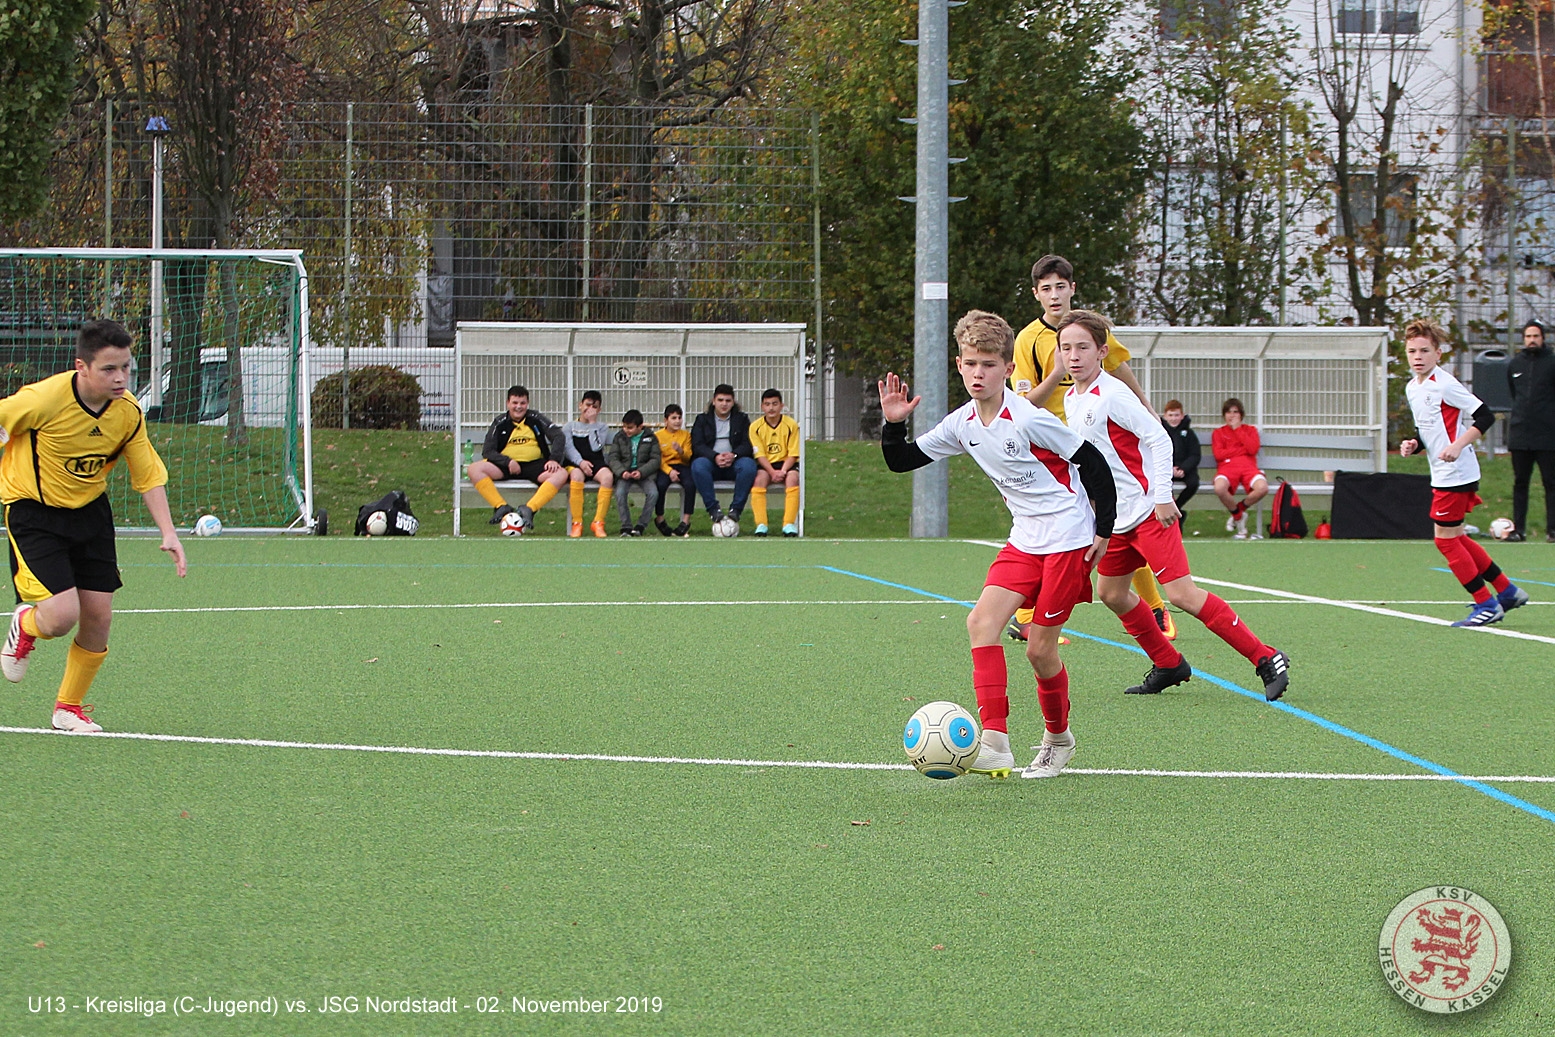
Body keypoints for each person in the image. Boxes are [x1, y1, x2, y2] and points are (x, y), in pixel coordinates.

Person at [879, 310, 1118, 780]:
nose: (978, 373)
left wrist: (1103, 530)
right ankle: (995, 744)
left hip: (1068, 538)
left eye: (988, 365)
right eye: (970, 363)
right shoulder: (962, 422)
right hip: (1025, 538)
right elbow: (902, 461)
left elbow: (1092, 463)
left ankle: (1058, 740)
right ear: (958, 364)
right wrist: (893, 423)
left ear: (1007, 369)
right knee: (981, 622)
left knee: (1039, 651)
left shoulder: (1028, 418)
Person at [1057, 311, 1291, 700]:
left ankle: (1266, 657)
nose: (1074, 355)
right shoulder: (1071, 397)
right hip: (1117, 519)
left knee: (1182, 595)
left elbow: (1158, 438)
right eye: (1066, 348)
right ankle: (1168, 663)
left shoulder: (1113, 394)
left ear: (1102, 351)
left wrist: (1162, 496)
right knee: (1111, 593)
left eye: (1083, 347)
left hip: (1149, 512)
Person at [0, 319, 188, 732]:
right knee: (60, 617)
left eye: (126, 367)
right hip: (35, 513)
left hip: (90, 513)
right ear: (81, 367)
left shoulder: (128, 412)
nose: (120, 378)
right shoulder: (42, 399)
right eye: (109, 369)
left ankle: (68, 708)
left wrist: (169, 532)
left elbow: (147, 472)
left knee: (99, 616)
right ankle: (25, 625)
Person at [1006, 253, 1174, 643]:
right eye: (1046, 289)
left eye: (1060, 287)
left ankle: (1153, 607)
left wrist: (1146, 407)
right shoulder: (1028, 339)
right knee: (1054, 523)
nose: (1054, 295)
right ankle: (1026, 615)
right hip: (1052, 448)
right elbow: (1024, 403)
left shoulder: (1090, 328)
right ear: (1036, 294)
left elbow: (1118, 367)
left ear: (1072, 289)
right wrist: (1057, 373)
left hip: (1095, 442)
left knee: (1120, 519)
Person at [1400, 318, 1530, 626]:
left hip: (1456, 472)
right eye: (1412, 351)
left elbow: (1485, 416)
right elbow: (1429, 430)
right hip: (1444, 472)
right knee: (1455, 536)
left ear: (1438, 354)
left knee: (1445, 541)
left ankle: (1486, 604)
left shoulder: (1444, 384)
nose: (1418, 357)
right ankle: (1507, 591)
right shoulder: (1413, 387)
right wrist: (1414, 444)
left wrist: (1458, 446)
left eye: (1425, 351)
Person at [465, 384, 568, 532]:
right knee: (474, 469)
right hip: (506, 466)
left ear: (527, 403)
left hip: (534, 465)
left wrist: (553, 459)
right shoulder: (500, 422)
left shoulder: (536, 418)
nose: (518, 407)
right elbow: (488, 451)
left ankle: (529, 509)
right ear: (508, 403)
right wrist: (508, 461)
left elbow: (558, 435)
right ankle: (501, 506)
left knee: (561, 474)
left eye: (522, 403)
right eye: (515, 403)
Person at [1507, 319, 1555, 542]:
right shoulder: (1515, 365)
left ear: (1543, 338)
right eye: (1528, 336)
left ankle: (1552, 530)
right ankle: (1519, 530)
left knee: (1551, 482)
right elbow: (1514, 394)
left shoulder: (1552, 363)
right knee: (1520, 482)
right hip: (1520, 435)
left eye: (1536, 336)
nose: (1532, 340)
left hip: (1547, 435)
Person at [690, 384, 758, 529]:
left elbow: (748, 444)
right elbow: (697, 445)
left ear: (733, 402)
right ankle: (714, 510)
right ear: (713, 401)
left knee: (749, 466)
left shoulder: (741, 419)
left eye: (728, 400)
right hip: (711, 464)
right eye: (720, 400)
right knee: (698, 466)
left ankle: (736, 510)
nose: (724, 404)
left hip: (734, 463)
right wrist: (715, 456)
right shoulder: (702, 420)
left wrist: (733, 455)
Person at [1212, 398, 1267, 538]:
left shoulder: (1250, 430)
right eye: (1228, 412)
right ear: (1224, 415)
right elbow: (1219, 455)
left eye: (1235, 412)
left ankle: (1238, 511)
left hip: (1249, 468)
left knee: (1262, 488)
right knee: (1219, 488)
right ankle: (1239, 516)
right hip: (1227, 468)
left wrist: (1238, 430)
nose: (1232, 415)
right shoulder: (1218, 433)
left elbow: (1252, 449)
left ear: (1241, 414)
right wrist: (1241, 450)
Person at [563, 390, 615, 538]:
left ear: (599, 410)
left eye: (594, 406)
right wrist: (581, 463)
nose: (590, 409)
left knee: (608, 477)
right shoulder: (569, 426)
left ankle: (598, 522)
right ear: (580, 405)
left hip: (595, 461)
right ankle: (577, 523)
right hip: (575, 463)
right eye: (587, 405)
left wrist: (592, 424)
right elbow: (568, 449)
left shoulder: (602, 427)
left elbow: (596, 447)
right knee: (576, 476)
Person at [750, 388, 801, 537]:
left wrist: (783, 471)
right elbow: (759, 454)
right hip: (767, 466)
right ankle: (761, 524)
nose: (771, 408)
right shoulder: (755, 427)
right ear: (762, 407)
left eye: (774, 404)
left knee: (793, 478)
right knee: (759, 480)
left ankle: (788, 524)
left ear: (781, 405)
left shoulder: (791, 425)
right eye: (767, 404)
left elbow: (793, 454)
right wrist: (772, 472)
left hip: (786, 464)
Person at [606, 409, 660, 536]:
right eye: (624, 427)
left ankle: (641, 525)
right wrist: (622, 472)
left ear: (640, 426)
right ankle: (626, 526)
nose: (626, 430)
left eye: (630, 427)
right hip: (625, 473)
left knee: (653, 493)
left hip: (644, 473)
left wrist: (641, 472)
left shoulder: (651, 438)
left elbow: (655, 459)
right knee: (620, 493)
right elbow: (613, 458)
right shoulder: (619, 437)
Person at [653, 403, 694, 537]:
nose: (677, 421)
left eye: (679, 418)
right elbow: (657, 458)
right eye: (673, 418)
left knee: (690, 484)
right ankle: (660, 518)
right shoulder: (658, 436)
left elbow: (688, 457)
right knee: (660, 485)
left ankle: (686, 521)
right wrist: (669, 471)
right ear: (666, 420)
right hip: (665, 467)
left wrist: (680, 451)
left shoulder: (686, 435)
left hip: (682, 466)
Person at [1162, 399, 1201, 513]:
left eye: (1176, 415)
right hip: (1165, 469)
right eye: (1170, 415)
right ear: (1165, 416)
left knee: (1193, 484)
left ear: (1182, 416)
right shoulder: (1160, 433)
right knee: (1161, 485)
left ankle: (1176, 509)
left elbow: (1195, 455)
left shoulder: (1189, 434)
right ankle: (1169, 510)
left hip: (1184, 469)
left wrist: (1183, 468)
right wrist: (1169, 469)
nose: (1173, 418)